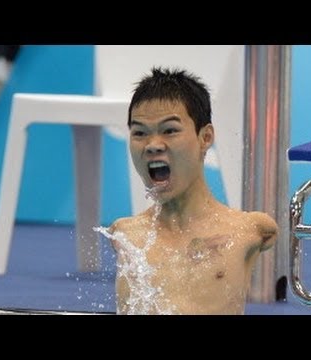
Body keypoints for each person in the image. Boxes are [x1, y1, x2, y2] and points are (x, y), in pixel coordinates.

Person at [107, 67, 278, 315]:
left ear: (205, 137)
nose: (153, 145)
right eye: (140, 133)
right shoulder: (125, 235)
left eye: (170, 130)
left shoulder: (248, 230)